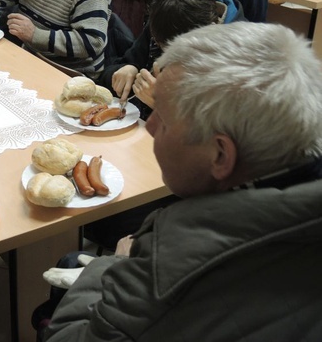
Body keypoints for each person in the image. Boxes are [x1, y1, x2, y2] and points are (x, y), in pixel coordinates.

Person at [40, 21, 322, 341]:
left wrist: (115, 266)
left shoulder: (170, 270)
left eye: (161, 114)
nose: (150, 126)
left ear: (219, 156)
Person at [100, 0, 245, 120]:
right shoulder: (163, 23)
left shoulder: (238, 61)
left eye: (172, 51)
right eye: (159, 44)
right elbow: (110, 73)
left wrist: (161, 105)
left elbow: (219, 136)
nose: (164, 53)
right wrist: (128, 69)